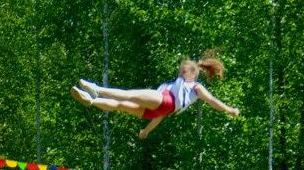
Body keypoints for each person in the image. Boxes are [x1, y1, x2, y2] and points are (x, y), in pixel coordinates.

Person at [71, 52, 239, 139]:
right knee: (119, 105)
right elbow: (160, 116)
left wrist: (229, 110)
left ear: (193, 74)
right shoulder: (174, 86)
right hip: (158, 111)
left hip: (165, 101)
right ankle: (92, 101)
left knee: (128, 95)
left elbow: (212, 101)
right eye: (180, 71)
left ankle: (96, 89)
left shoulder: (194, 86)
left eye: (183, 71)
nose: (180, 73)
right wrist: (146, 131)